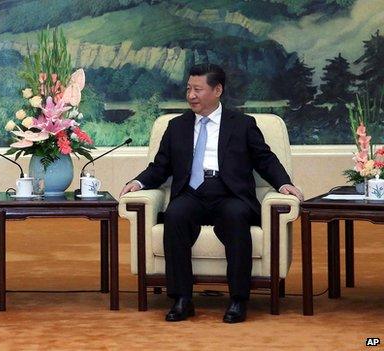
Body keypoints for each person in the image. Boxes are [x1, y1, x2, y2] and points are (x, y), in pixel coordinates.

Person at [120, 63, 303, 323]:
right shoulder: (177, 127)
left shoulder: (242, 124)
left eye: (197, 89)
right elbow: (160, 167)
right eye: (188, 89)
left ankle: (238, 300)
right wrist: (137, 182)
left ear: (217, 90)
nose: (191, 95)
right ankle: (182, 299)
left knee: (236, 216)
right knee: (175, 215)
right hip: (192, 193)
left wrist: (284, 184)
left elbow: (265, 159)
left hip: (230, 193)